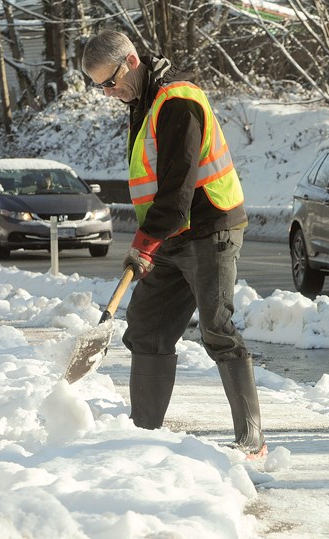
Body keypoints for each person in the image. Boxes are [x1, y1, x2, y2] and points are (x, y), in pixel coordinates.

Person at [81, 30, 266, 458]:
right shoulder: (141, 100)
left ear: (129, 62)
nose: (108, 93)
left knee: (216, 327)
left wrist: (145, 242)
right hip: (171, 233)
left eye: (109, 82)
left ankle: (252, 438)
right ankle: (143, 435)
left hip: (209, 226)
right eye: (100, 87)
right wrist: (149, 240)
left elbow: (177, 188)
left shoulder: (177, 101)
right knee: (146, 327)